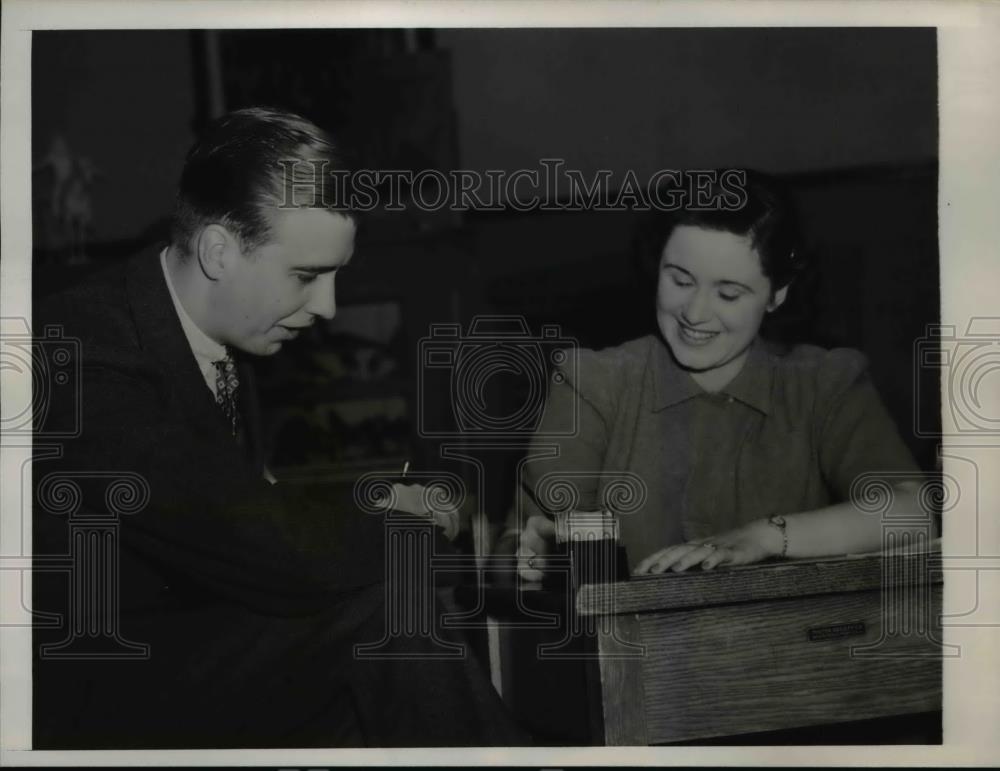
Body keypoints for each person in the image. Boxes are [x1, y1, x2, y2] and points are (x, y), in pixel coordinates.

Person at [32, 107, 525, 748]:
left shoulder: (216, 327)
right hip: (83, 691)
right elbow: (235, 531)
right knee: (383, 618)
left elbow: (237, 511)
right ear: (218, 251)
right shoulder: (77, 351)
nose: (327, 308)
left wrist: (378, 503)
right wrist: (408, 527)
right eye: (306, 277)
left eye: (335, 276)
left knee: (382, 663)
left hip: (191, 649)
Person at [507, 170, 935, 579]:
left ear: (776, 294)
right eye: (680, 280)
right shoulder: (593, 383)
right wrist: (536, 554)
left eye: (728, 293)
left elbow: (914, 514)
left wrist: (764, 537)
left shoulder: (825, 384)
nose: (694, 314)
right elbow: (527, 545)